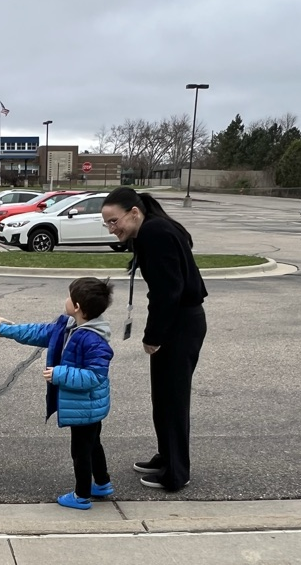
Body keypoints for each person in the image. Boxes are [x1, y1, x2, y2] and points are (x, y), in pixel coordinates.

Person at [100, 187, 208, 492]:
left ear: (134, 212)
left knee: (172, 400)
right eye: (106, 224)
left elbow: (167, 292)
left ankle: (176, 473)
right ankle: (167, 457)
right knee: (163, 398)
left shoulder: (154, 233)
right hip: (182, 320)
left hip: (180, 324)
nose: (111, 228)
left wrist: (153, 336)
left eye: (114, 221)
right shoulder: (154, 229)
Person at [0, 277, 115, 510]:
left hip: (85, 407)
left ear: (77, 307)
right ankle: (102, 483)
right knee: (92, 444)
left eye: (69, 297)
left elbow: (95, 376)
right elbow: (37, 332)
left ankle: (82, 496)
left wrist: (60, 374)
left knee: (80, 451)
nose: (65, 300)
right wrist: (3, 330)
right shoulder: (68, 326)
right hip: (85, 406)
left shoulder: (93, 339)